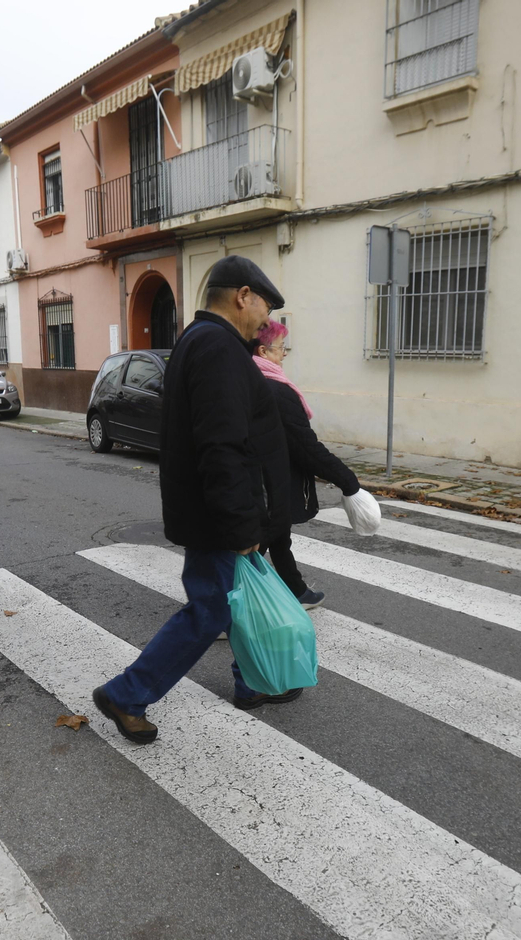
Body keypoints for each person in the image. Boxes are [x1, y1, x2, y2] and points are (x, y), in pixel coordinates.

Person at [92, 256, 299, 744]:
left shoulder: (200, 339)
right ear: (241, 295)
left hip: (215, 512)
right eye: (264, 307)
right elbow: (222, 445)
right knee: (209, 611)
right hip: (218, 517)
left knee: (228, 604)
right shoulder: (217, 347)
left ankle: (249, 685)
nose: (267, 322)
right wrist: (243, 526)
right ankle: (127, 693)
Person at [251, 318, 361, 608]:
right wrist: (348, 482)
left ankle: (296, 590)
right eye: (280, 348)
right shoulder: (276, 392)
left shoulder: (249, 381)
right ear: (263, 352)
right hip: (269, 483)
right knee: (254, 548)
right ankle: (219, 613)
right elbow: (306, 448)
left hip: (263, 481)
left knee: (278, 536)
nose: (284, 353)